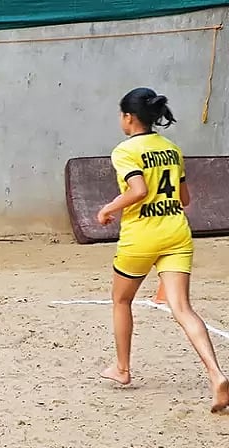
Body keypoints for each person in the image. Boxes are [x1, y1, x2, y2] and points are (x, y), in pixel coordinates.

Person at [95, 87, 229, 412]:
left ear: (129, 117)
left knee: (121, 299)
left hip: (142, 235)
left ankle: (123, 369)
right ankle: (216, 375)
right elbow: (185, 199)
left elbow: (138, 190)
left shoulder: (124, 151)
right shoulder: (171, 149)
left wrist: (110, 207)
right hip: (177, 232)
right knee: (183, 308)